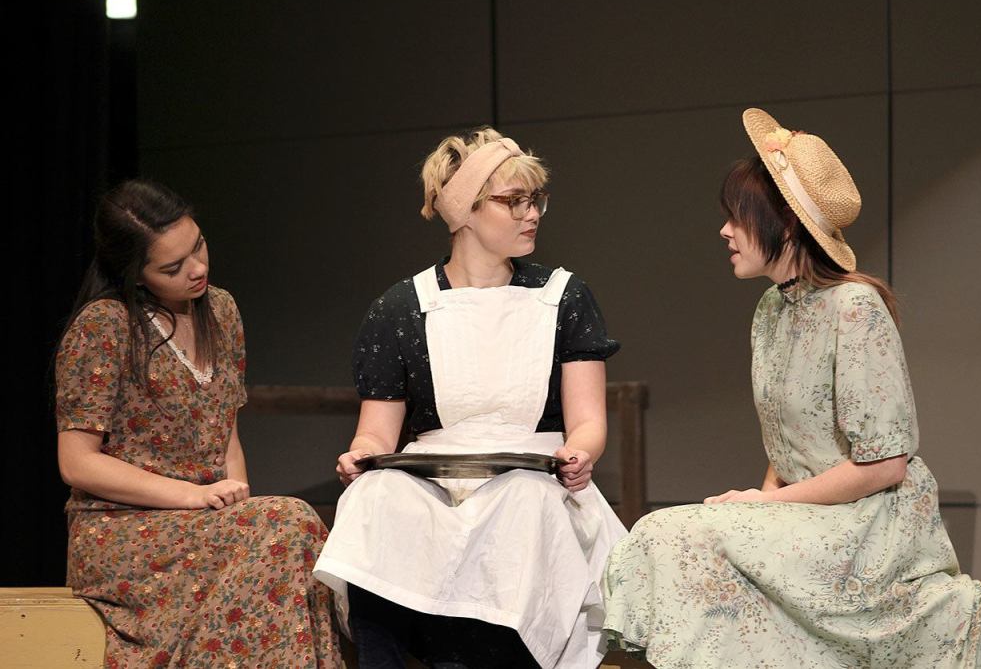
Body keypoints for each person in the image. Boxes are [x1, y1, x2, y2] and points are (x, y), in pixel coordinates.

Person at [601, 109, 981, 668]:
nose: (724, 231)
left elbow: (885, 465)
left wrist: (766, 505)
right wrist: (762, 504)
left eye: (737, 218)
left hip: (871, 526)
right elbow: (785, 444)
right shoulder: (771, 309)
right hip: (811, 516)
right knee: (669, 534)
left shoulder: (854, 307)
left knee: (672, 533)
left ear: (785, 225)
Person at [313, 127, 627, 669]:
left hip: (533, 472)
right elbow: (377, 432)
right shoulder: (401, 307)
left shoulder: (563, 296)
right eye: (514, 201)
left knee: (523, 502)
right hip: (435, 476)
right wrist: (360, 455)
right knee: (373, 497)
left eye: (536, 199)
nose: (532, 213)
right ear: (465, 211)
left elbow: (588, 422)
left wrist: (581, 453)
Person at [55, 179, 341, 667]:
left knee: (289, 533)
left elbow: (226, 437)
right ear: (135, 274)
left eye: (199, 246)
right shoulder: (105, 325)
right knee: (289, 522)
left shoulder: (221, 311)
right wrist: (191, 496)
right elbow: (77, 463)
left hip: (204, 522)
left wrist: (239, 510)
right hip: (126, 532)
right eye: (173, 267)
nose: (198, 268)